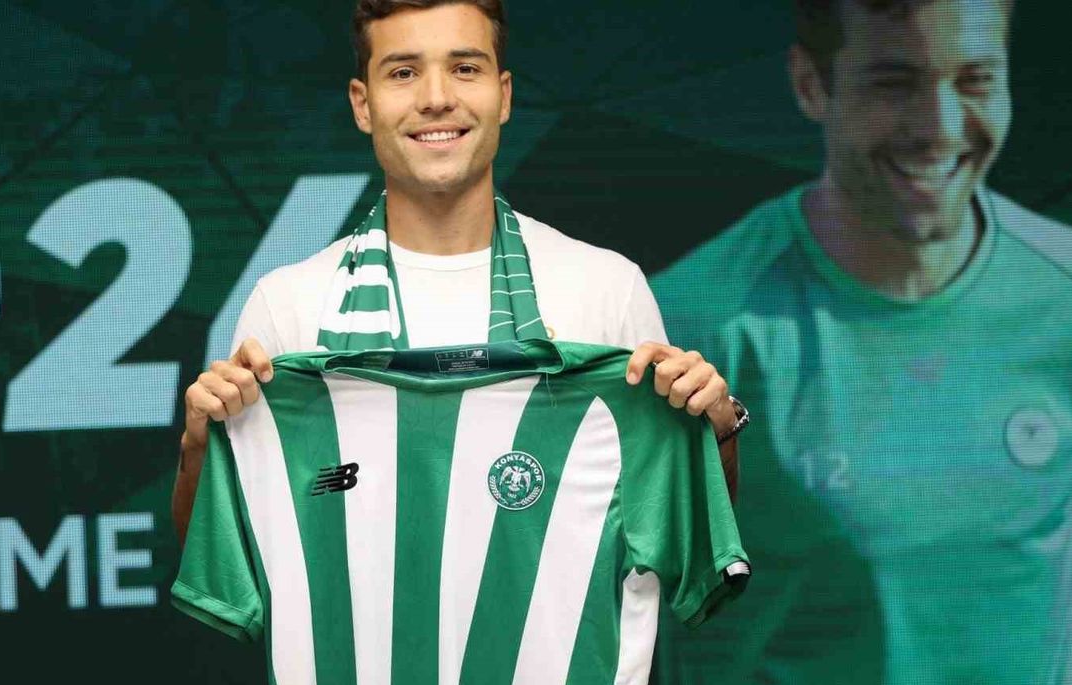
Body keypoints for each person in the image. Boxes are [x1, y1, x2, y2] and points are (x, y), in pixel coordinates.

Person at [172, 0, 749, 545]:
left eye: (465, 68)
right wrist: (200, 447)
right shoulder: (287, 305)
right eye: (403, 73)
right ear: (362, 104)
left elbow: (677, 542)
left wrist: (716, 430)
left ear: (504, 95)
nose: (436, 98)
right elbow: (229, 557)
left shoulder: (608, 289)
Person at [650, 0, 1072, 685]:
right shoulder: (693, 327)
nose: (941, 127)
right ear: (810, 85)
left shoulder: (1071, 295)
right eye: (894, 81)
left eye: (975, 80)